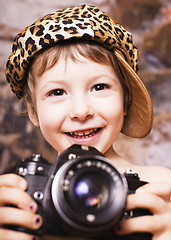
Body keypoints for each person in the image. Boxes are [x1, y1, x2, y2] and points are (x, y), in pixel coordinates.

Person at [1, 4, 171, 240]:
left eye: (100, 87)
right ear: (33, 112)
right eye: (57, 92)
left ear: (126, 101)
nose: (81, 111)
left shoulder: (161, 187)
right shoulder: (17, 196)